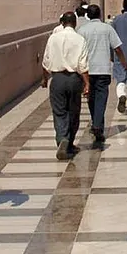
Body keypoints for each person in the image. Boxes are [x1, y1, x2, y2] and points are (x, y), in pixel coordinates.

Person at [41, 11, 89, 160]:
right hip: (74, 79)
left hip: (58, 79)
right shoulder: (80, 39)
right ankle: (69, 143)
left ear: (62, 23)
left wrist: (44, 79)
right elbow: (82, 64)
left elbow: (46, 61)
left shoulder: (53, 38)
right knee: (73, 111)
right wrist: (87, 83)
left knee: (59, 111)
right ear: (75, 23)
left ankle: (62, 138)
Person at [79, 4, 127, 148]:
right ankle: (98, 126)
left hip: (88, 71)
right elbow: (117, 47)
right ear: (99, 14)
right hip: (102, 69)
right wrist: (123, 62)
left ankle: (97, 124)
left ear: (88, 15)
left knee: (91, 99)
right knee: (101, 98)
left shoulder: (82, 30)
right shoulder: (107, 28)